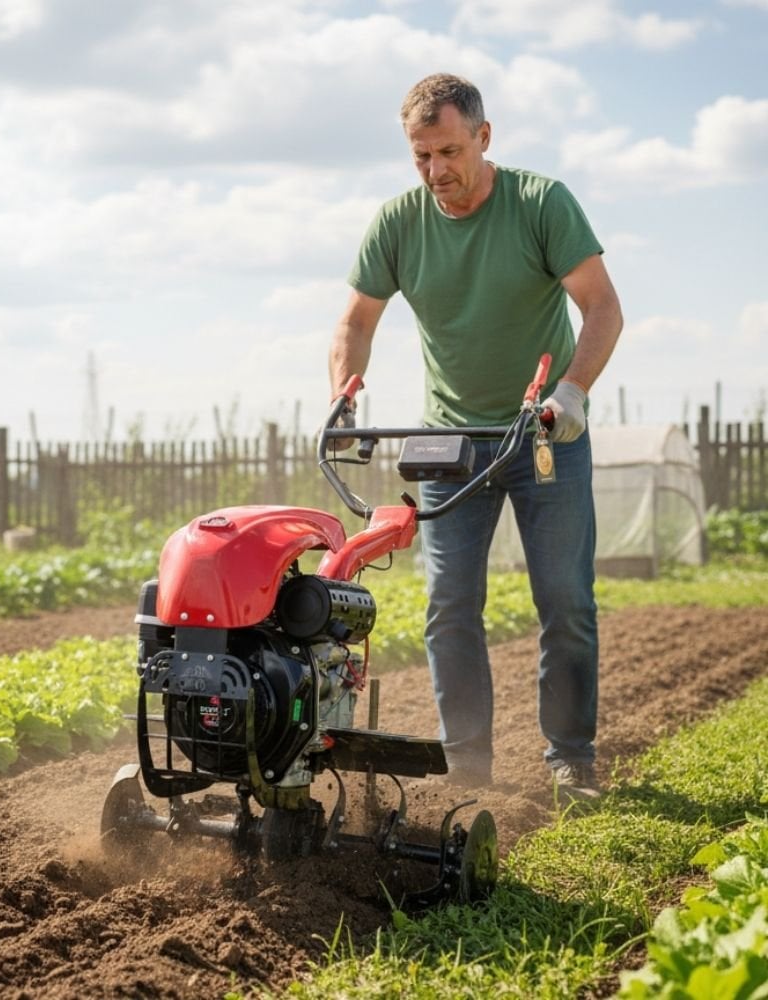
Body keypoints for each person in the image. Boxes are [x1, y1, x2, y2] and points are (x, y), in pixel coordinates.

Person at [327, 73, 623, 801]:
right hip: (452, 444)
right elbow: (356, 321)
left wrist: (572, 393)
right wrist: (344, 396)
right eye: (421, 156)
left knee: (564, 601)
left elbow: (603, 309)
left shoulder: (539, 204)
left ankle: (570, 760)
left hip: (543, 432)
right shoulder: (399, 222)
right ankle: (469, 771)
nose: (436, 171)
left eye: (449, 151)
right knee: (450, 604)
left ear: (484, 139)